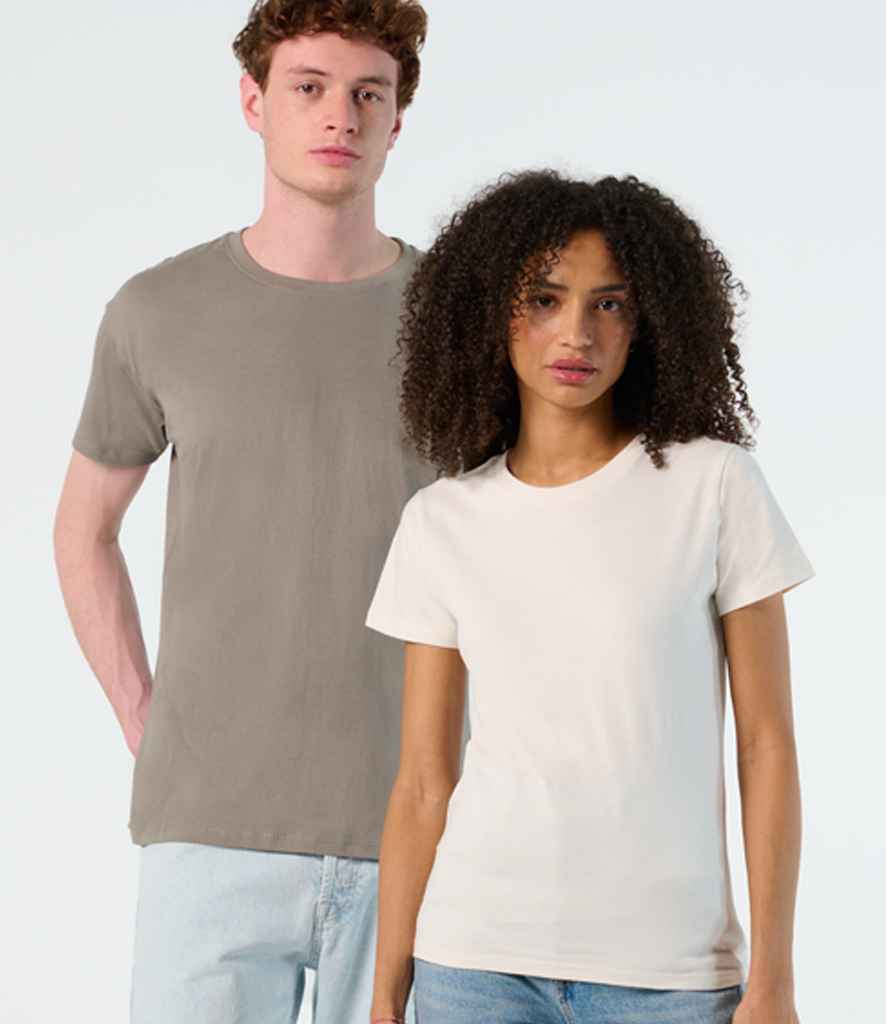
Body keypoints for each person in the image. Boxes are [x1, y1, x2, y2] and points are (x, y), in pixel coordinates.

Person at [51, 2, 434, 1022]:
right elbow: (84, 529)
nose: (340, 116)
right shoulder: (159, 310)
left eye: (368, 94)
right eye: (309, 87)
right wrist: (143, 714)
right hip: (208, 834)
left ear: (398, 119)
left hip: (417, 828)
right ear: (253, 102)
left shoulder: (459, 320)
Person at [364, 169, 814, 1024]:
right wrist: (386, 998)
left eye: (610, 304)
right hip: (472, 965)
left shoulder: (714, 487)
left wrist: (776, 981)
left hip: (671, 977)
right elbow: (422, 781)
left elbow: (766, 747)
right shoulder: (442, 521)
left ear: (647, 323)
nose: (577, 332)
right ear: (490, 312)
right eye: (544, 299)